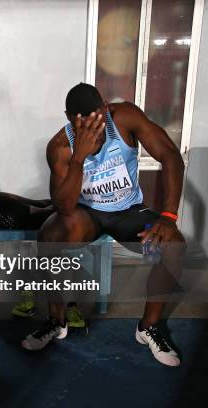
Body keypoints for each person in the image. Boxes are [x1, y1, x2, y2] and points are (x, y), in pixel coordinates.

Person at [21, 83, 186, 367]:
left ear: (106, 108)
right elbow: (64, 207)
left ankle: (148, 328)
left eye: (96, 122)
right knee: (49, 236)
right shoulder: (60, 146)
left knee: (174, 247)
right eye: (81, 124)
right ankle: (56, 319)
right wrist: (79, 158)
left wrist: (169, 216)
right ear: (68, 117)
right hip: (88, 213)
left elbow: (170, 155)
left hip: (128, 211)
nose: (90, 131)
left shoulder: (125, 118)